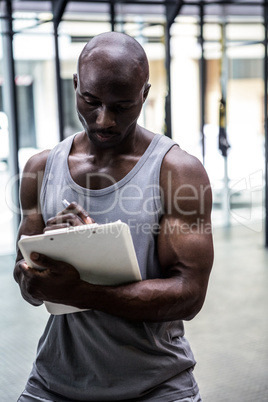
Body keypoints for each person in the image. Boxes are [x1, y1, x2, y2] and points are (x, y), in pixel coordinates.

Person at [14, 31, 214, 402]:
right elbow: (28, 286)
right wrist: (53, 254)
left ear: (144, 95)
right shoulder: (40, 168)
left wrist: (80, 290)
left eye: (122, 106)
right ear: (75, 85)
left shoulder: (178, 172)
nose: (104, 120)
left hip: (157, 387)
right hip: (53, 383)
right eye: (91, 101)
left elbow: (189, 296)